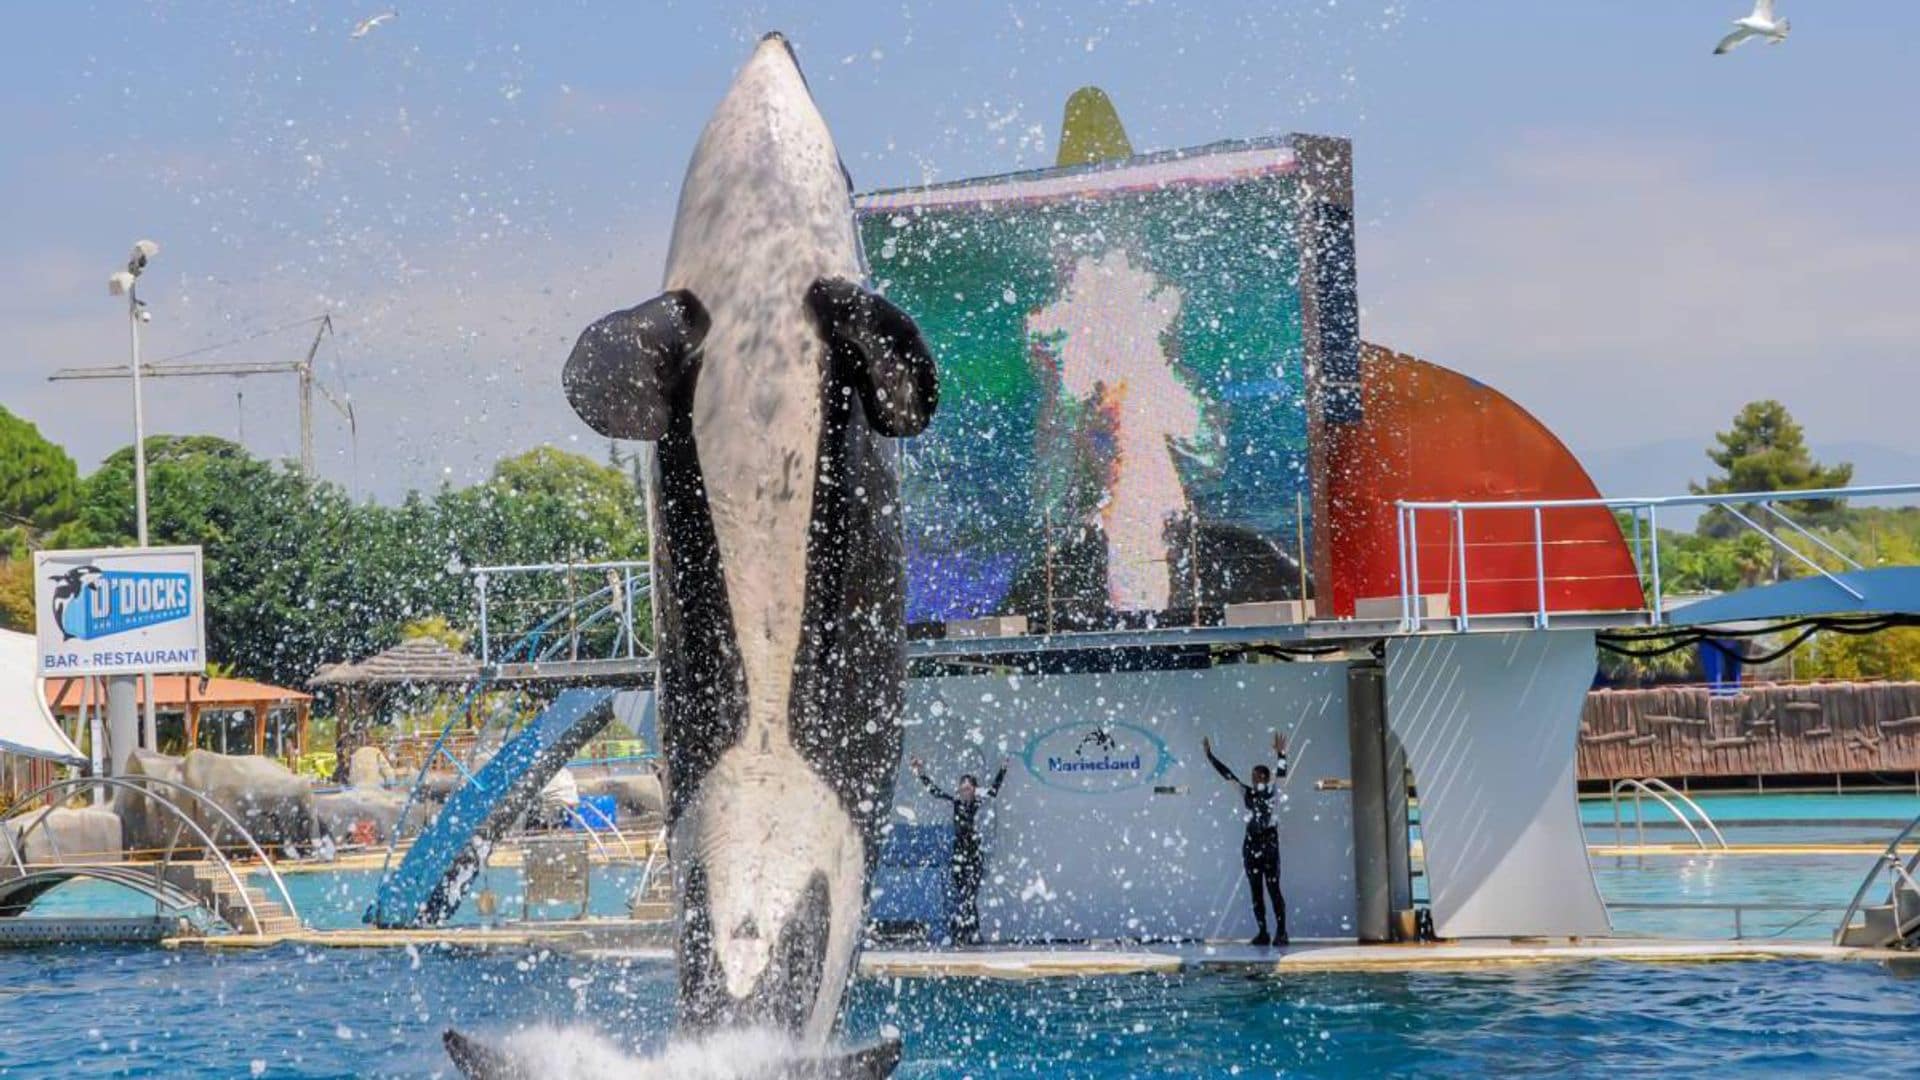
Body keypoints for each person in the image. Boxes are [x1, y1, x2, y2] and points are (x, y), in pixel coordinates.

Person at [910, 755, 1010, 945]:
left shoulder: (977, 803)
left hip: (973, 854)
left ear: (973, 789)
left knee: (970, 896)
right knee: (961, 896)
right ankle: (963, 933)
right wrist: (920, 772)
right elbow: (934, 791)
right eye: (962, 788)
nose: (964, 791)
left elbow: (994, 791)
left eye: (968, 788)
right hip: (958, 855)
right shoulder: (956, 802)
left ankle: (970, 933)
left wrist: (1003, 770)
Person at [1202, 731, 1290, 946]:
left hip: (1269, 844)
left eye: (1258, 776)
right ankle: (1263, 932)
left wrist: (1281, 754)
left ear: (1265, 778)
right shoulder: (1246, 793)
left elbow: (1281, 771)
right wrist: (1211, 757)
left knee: (1273, 888)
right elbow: (1228, 775)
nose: (1253, 779)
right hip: (1251, 845)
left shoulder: (1274, 792)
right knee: (1256, 890)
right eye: (1252, 776)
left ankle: (1281, 931)